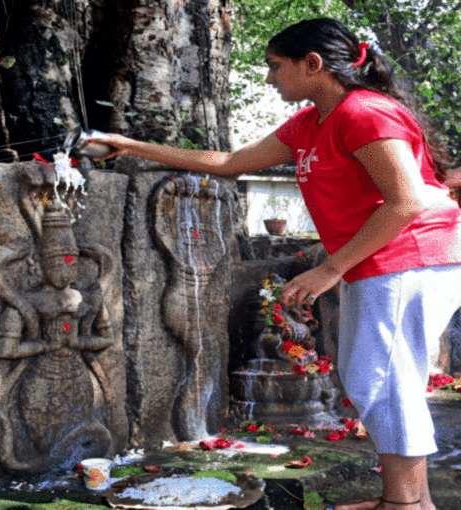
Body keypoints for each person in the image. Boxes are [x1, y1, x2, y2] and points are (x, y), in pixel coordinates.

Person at [93, 17, 461, 510]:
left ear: (312, 64)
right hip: (377, 260)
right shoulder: (309, 123)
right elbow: (229, 162)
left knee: (385, 379)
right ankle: (403, 498)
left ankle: (409, 505)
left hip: (410, 257)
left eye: (274, 66)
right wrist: (131, 146)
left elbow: (406, 202)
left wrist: (329, 269)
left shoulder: (367, 113)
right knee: (371, 376)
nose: (269, 78)